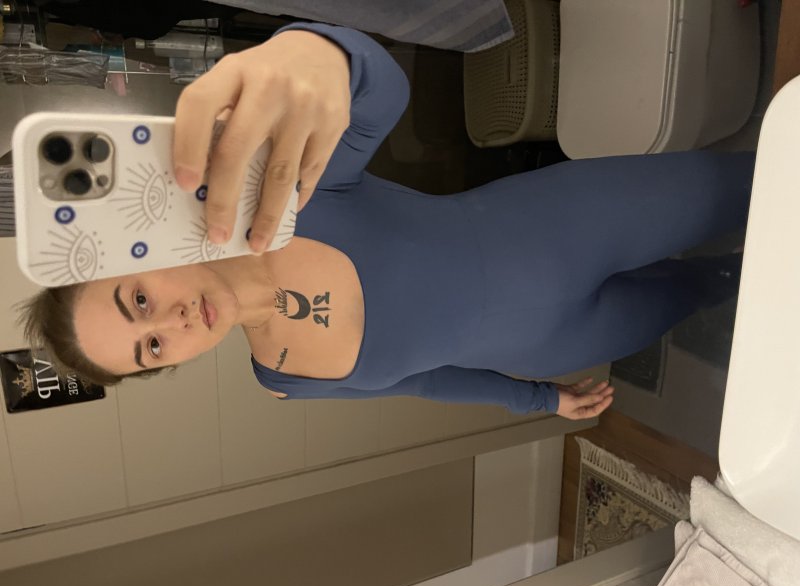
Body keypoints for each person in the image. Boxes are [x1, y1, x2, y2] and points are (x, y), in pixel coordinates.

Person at [21, 24, 753, 421]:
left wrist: (319, 53)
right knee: (718, 287)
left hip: (576, 223)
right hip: (566, 342)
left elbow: (383, 95)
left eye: (139, 298)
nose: (172, 322)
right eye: (150, 348)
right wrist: (539, 398)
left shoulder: (280, 198)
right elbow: (428, 383)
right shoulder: (285, 380)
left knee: (763, 184)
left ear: (137, 249)